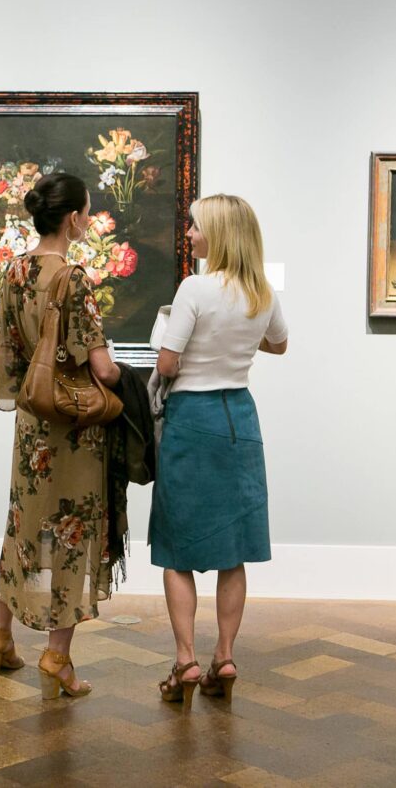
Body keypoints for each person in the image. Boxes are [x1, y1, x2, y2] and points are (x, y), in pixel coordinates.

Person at [0, 172, 121, 699]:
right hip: (71, 430)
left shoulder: (15, 271)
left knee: (23, 527)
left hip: (31, 426)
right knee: (70, 533)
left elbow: (11, 357)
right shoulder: (74, 278)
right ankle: (57, 657)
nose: (88, 220)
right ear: (72, 219)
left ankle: (0, 636)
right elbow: (103, 370)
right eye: (87, 212)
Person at [150, 194, 288, 710]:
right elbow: (280, 344)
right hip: (240, 421)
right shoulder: (261, 292)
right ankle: (224, 656)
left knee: (176, 547)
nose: (189, 235)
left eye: (195, 227)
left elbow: (166, 364)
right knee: (233, 551)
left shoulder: (195, 288)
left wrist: (180, 338)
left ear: (219, 235)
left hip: (193, 419)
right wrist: (239, 340)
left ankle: (185, 660)